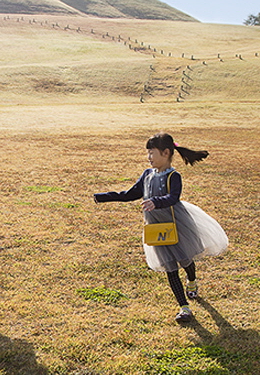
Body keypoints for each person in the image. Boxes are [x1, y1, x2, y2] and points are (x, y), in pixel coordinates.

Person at [94, 132, 228, 322]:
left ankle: (191, 280)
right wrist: (104, 196)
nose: (149, 157)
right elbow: (130, 194)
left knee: (185, 259)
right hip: (156, 228)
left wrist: (155, 202)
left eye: (152, 153)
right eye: (148, 153)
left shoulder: (174, 176)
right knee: (170, 267)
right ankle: (184, 308)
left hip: (177, 223)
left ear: (166, 153)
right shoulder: (147, 175)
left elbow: (173, 197)